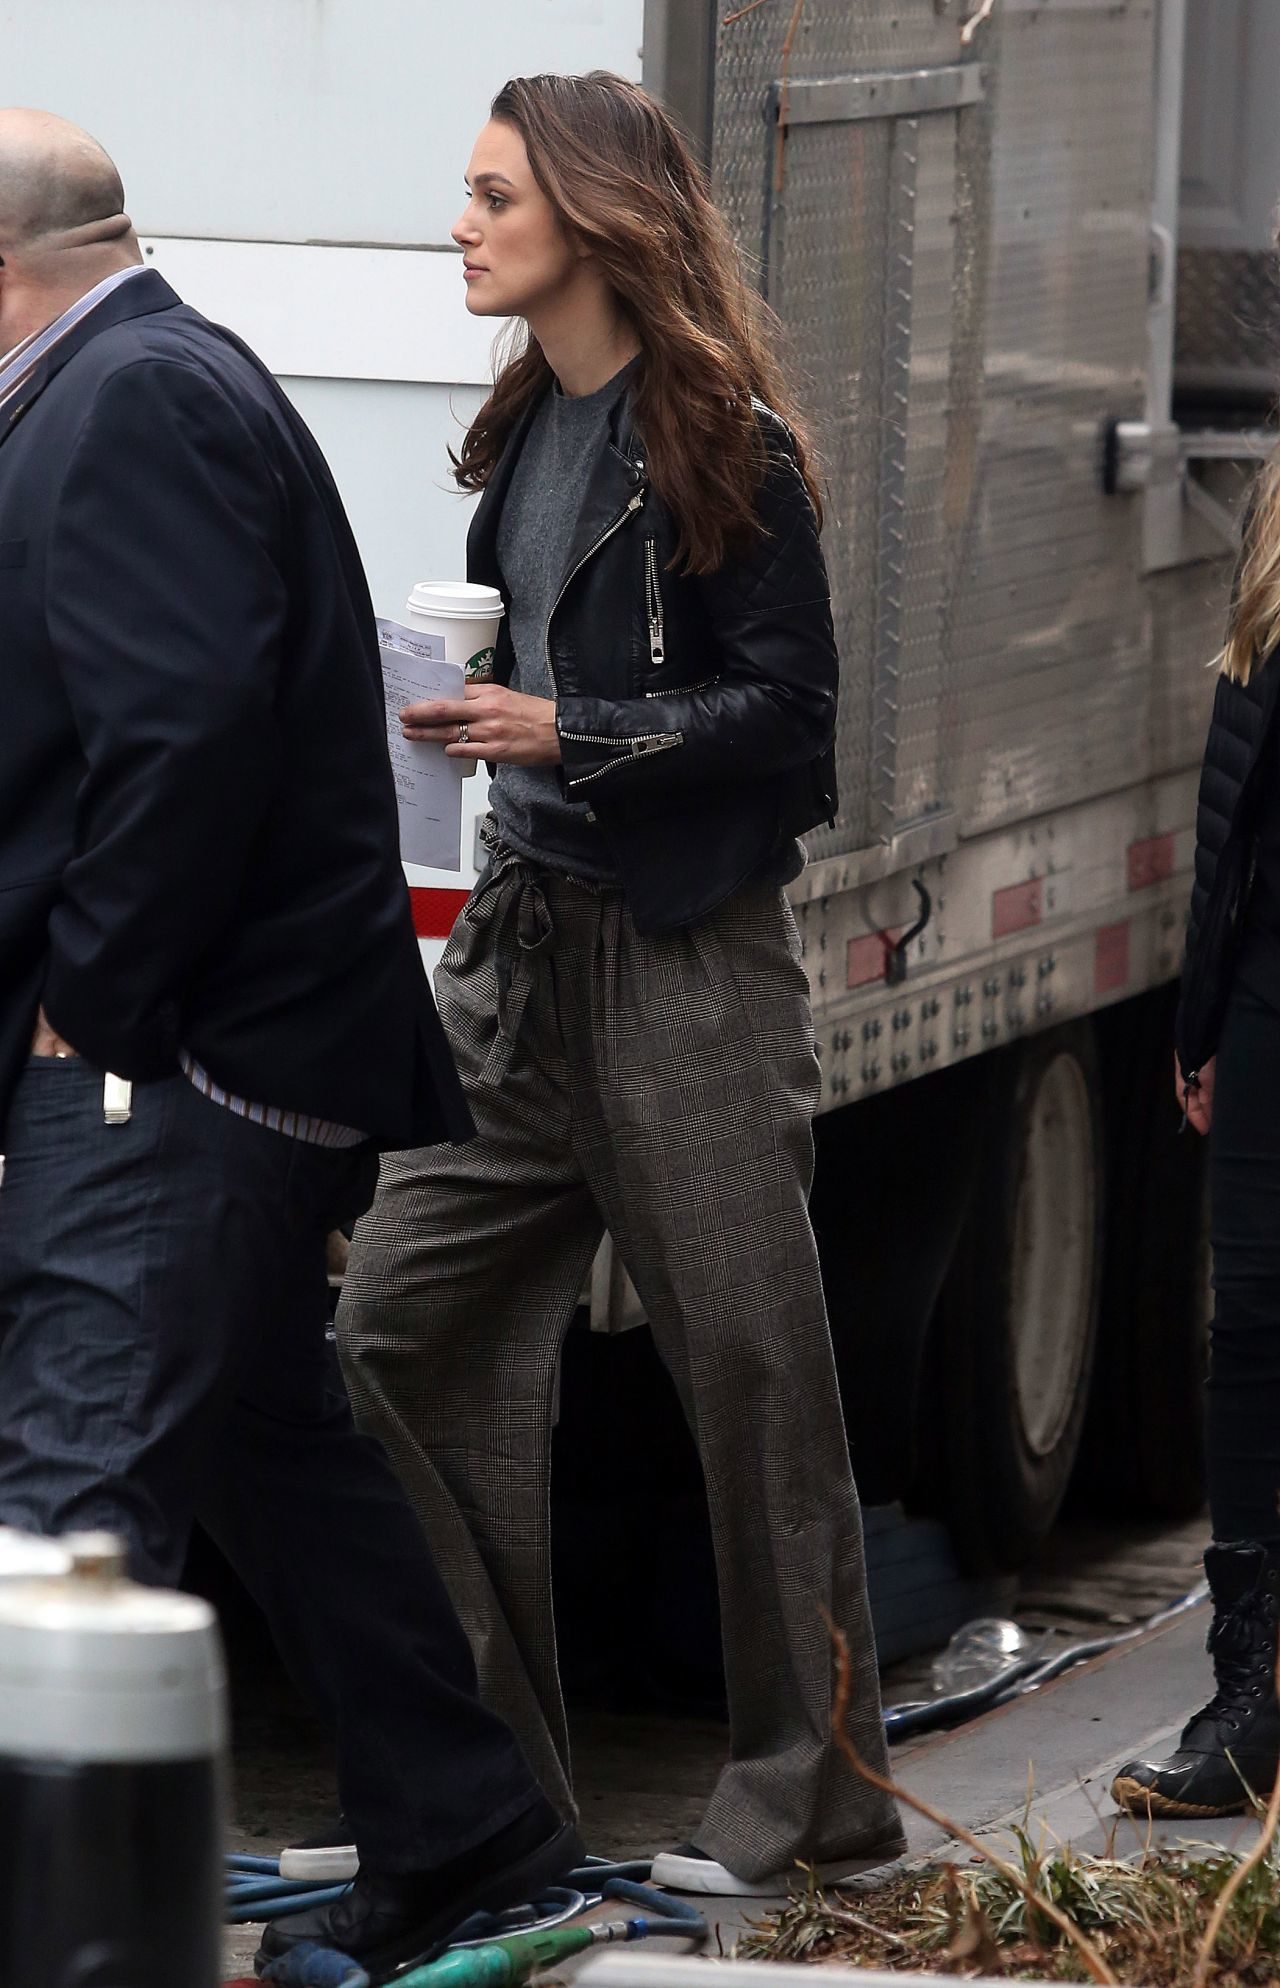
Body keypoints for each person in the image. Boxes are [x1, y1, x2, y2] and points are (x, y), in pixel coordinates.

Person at [0, 108, 580, 1980]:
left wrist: (94, 1008)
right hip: (206, 1046)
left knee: (67, 1516)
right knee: (274, 1452)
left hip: (174, 1059)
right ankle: (467, 1827)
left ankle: (55, 1928)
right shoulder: (132, 380)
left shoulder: (133, 404)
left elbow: (181, 738)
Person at [337, 70, 904, 1896]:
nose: (463, 224)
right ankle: (491, 1794)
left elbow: (796, 724)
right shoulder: (523, 425)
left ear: (593, 214)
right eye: (469, 192)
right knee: (384, 1335)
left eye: (495, 195)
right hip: (520, 963)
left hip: (685, 967)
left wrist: (568, 731)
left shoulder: (725, 436)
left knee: (752, 1379)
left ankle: (814, 1803)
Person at [1110, 460, 1280, 1818]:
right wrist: (1205, 1010)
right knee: (1255, 1328)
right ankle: (1249, 1697)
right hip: (1272, 977)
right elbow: (1239, 788)